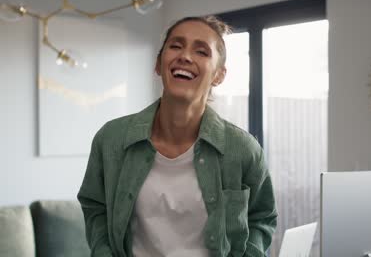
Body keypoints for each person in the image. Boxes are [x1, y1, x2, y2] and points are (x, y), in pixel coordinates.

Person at [78, 16, 277, 257]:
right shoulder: (111, 139)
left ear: (219, 75)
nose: (185, 56)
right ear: (158, 63)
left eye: (202, 52)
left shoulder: (243, 149)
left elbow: (261, 218)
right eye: (175, 46)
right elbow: (95, 206)